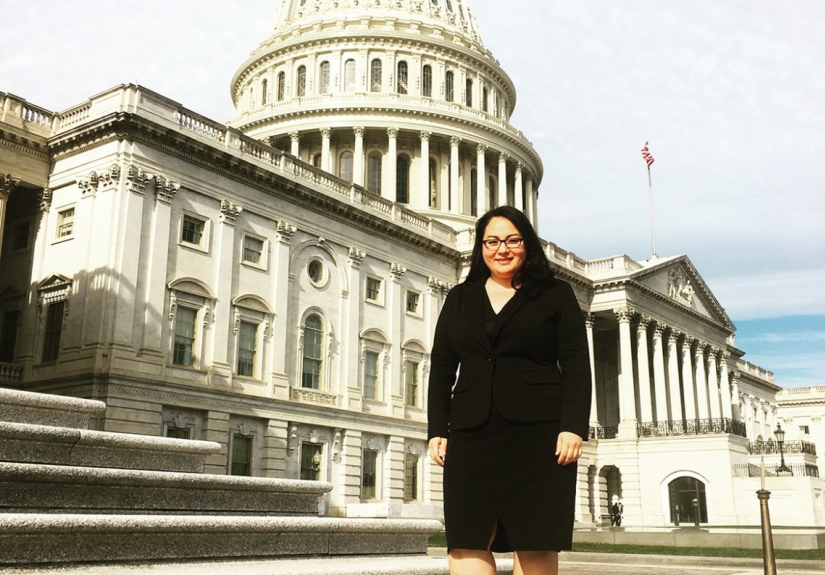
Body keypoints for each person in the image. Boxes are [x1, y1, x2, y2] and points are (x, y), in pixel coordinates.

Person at [427, 206, 592, 575]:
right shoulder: (460, 297)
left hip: (539, 434)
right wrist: (438, 428)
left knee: (535, 544)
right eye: (492, 241)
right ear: (481, 247)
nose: (502, 249)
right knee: (465, 542)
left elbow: (577, 365)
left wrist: (574, 426)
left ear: (527, 245)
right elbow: (441, 367)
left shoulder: (555, 294)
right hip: (472, 433)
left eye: (512, 240)